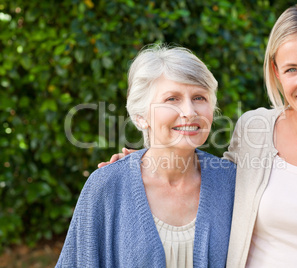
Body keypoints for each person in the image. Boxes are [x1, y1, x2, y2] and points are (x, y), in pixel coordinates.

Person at [98, 3, 297, 268]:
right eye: (292, 69)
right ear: (276, 72)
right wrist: (142, 165)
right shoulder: (254, 128)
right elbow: (214, 186)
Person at [56, 45, 236, 267]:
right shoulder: (106, 187)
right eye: (172, 99)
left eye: (199, 97)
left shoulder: (232, 183)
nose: (190, 111)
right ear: (141, 117)